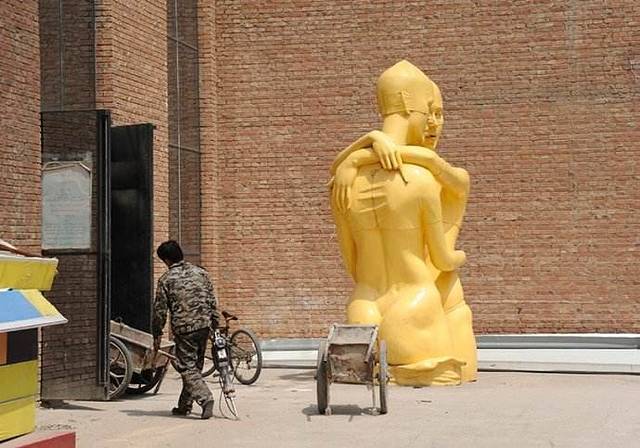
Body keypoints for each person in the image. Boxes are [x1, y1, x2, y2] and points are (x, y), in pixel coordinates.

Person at [329, 60, 476, 385]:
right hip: (414, 304)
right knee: (451, 290)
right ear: (410, 104)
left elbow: (350, 260)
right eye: (430, 111)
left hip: (364, 304)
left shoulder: (343, 183)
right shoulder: (420, 180)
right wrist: (460, 257)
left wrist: (358, 154)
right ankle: (416, 371)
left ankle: (383, 373)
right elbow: (442, 259)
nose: (434, 123)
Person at [152, 240, 216, 418]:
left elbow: (159, 310)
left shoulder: (166, 279)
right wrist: (215, 325)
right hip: (204, 326)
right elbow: (212, 301)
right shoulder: (201, 273)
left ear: (166, 260)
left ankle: (205, 398)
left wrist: (157, 333)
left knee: (187, 368)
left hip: (184, 329)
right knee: (195, 368)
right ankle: (184, 405)